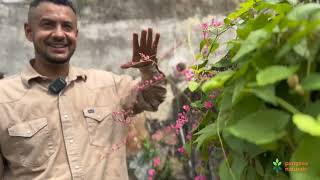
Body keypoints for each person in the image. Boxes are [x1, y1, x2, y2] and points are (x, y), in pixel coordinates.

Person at [0, 0, 166, 179]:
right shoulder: (4, 98)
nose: (59, 34)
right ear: (29, 31)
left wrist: (148, 69)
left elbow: (152, 97)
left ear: (76, 34)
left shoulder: (109, 86)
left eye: (67, 26)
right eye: (48, 25)